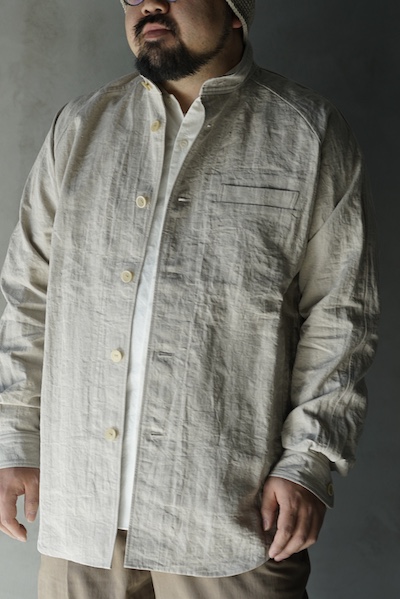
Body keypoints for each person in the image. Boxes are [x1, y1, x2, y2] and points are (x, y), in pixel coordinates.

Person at [0, 0, 379, 597]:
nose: (148, 3)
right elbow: (28, 293)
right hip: (81, 511)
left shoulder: (308, 133)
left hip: (227, 516)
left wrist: (309, 460)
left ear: (235, 9)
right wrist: (17, 439)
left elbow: (341, 314)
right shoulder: (79, 127)